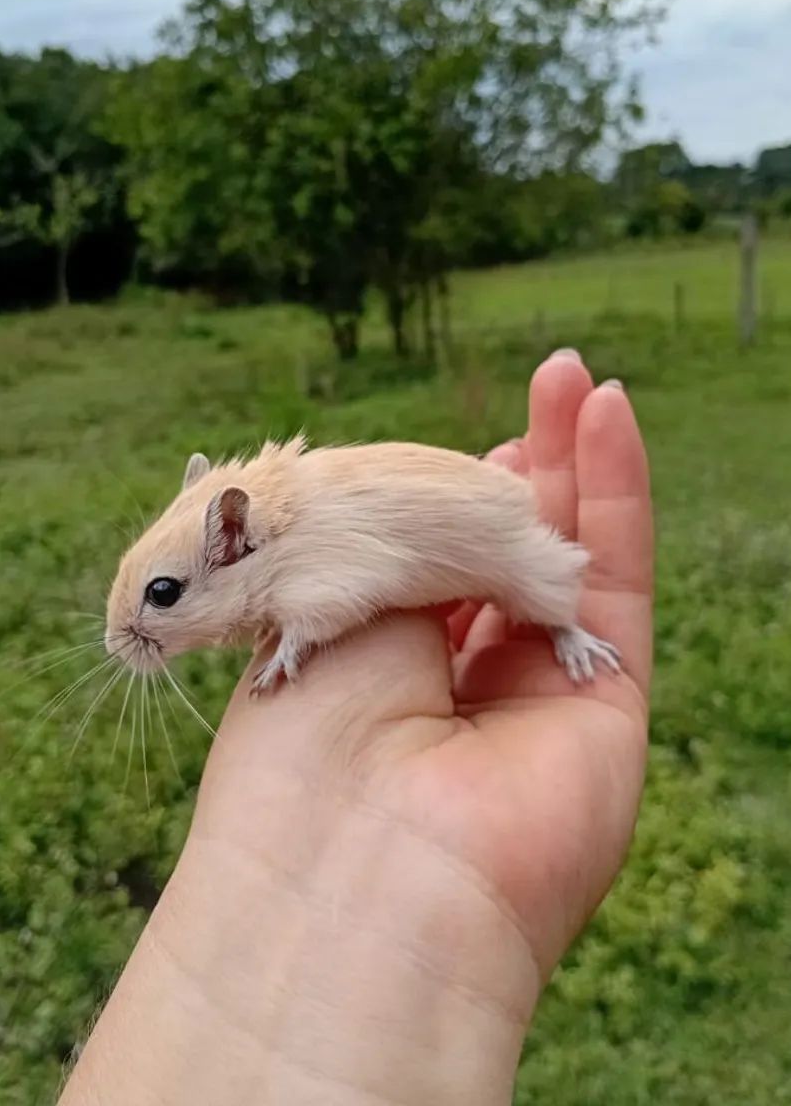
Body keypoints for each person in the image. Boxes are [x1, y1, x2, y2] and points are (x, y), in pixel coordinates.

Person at [59, 349, 654, 1106]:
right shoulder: (269, 535)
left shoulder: (306, 547)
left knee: (534, 585)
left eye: (164, 597)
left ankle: (569, 629)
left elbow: (345, 590)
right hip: (473, 506)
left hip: (495, 525)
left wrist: (300, 639)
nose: (134, 637)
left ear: (234, 537)